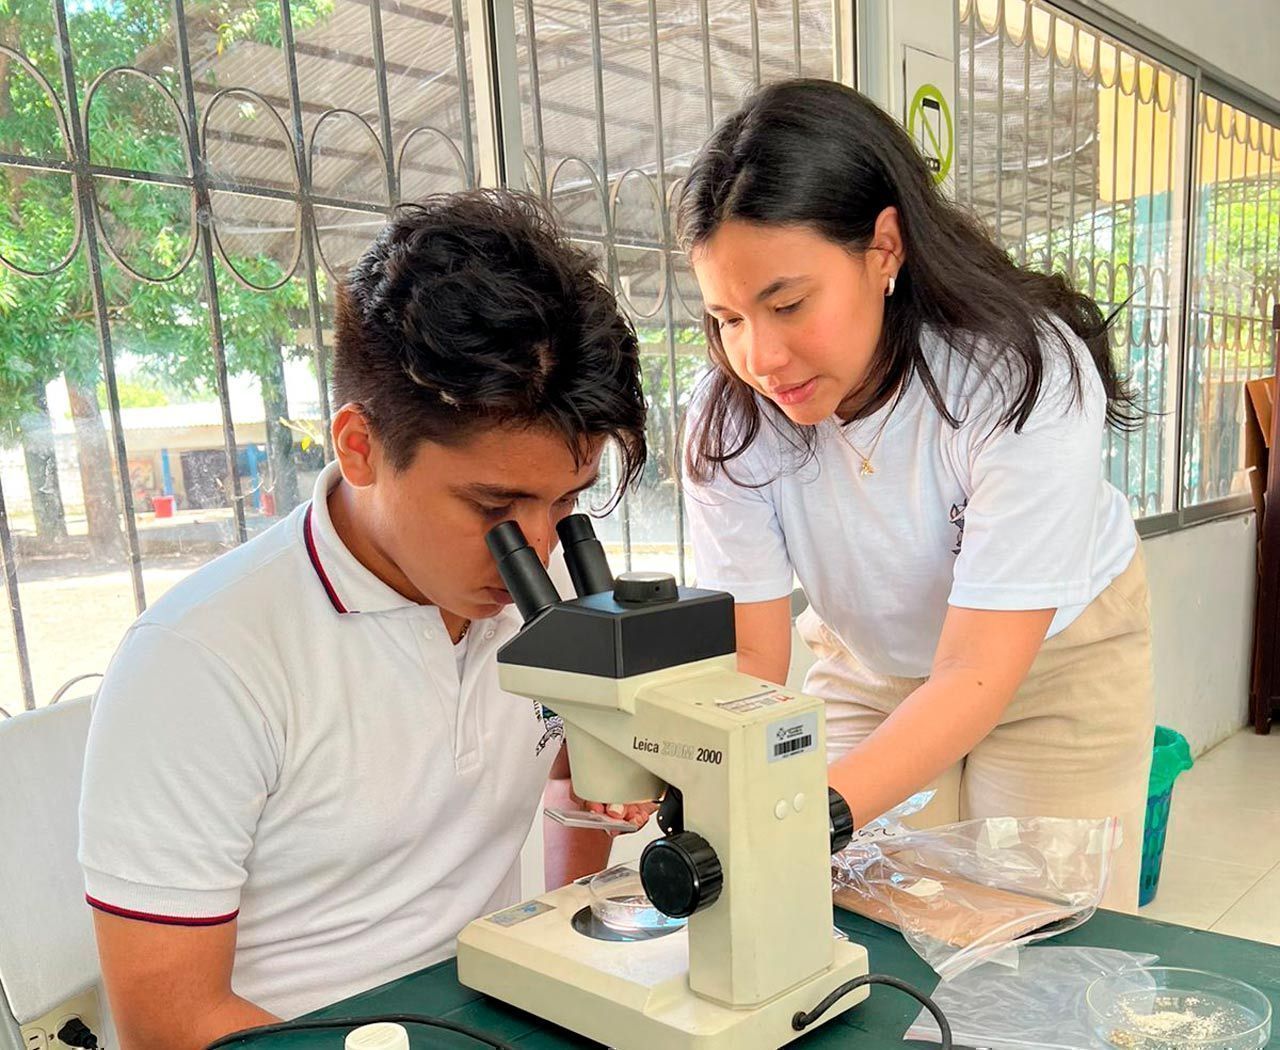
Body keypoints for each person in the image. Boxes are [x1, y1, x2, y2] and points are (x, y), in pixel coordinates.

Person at [78, 190, 652, 1048]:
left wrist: (582, 933)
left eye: (565, 502)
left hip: (494, 1013)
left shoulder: (523, 600)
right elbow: (169, 1025)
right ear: (359, 446)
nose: (534, 547)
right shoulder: (200, 663)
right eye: (495, 503)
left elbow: (572, 776)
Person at [679, 79, 1153, 911]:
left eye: (787, 303)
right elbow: (753, 662)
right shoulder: (729, 422)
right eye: (727, 318)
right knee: (837, 911)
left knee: (1037, 928)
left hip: (1054, 660)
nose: (762, 357)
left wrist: (807, 813)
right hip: (870, 658)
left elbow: (975, 672)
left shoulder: (1020, 378)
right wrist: (709, 778)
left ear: (884, 249)